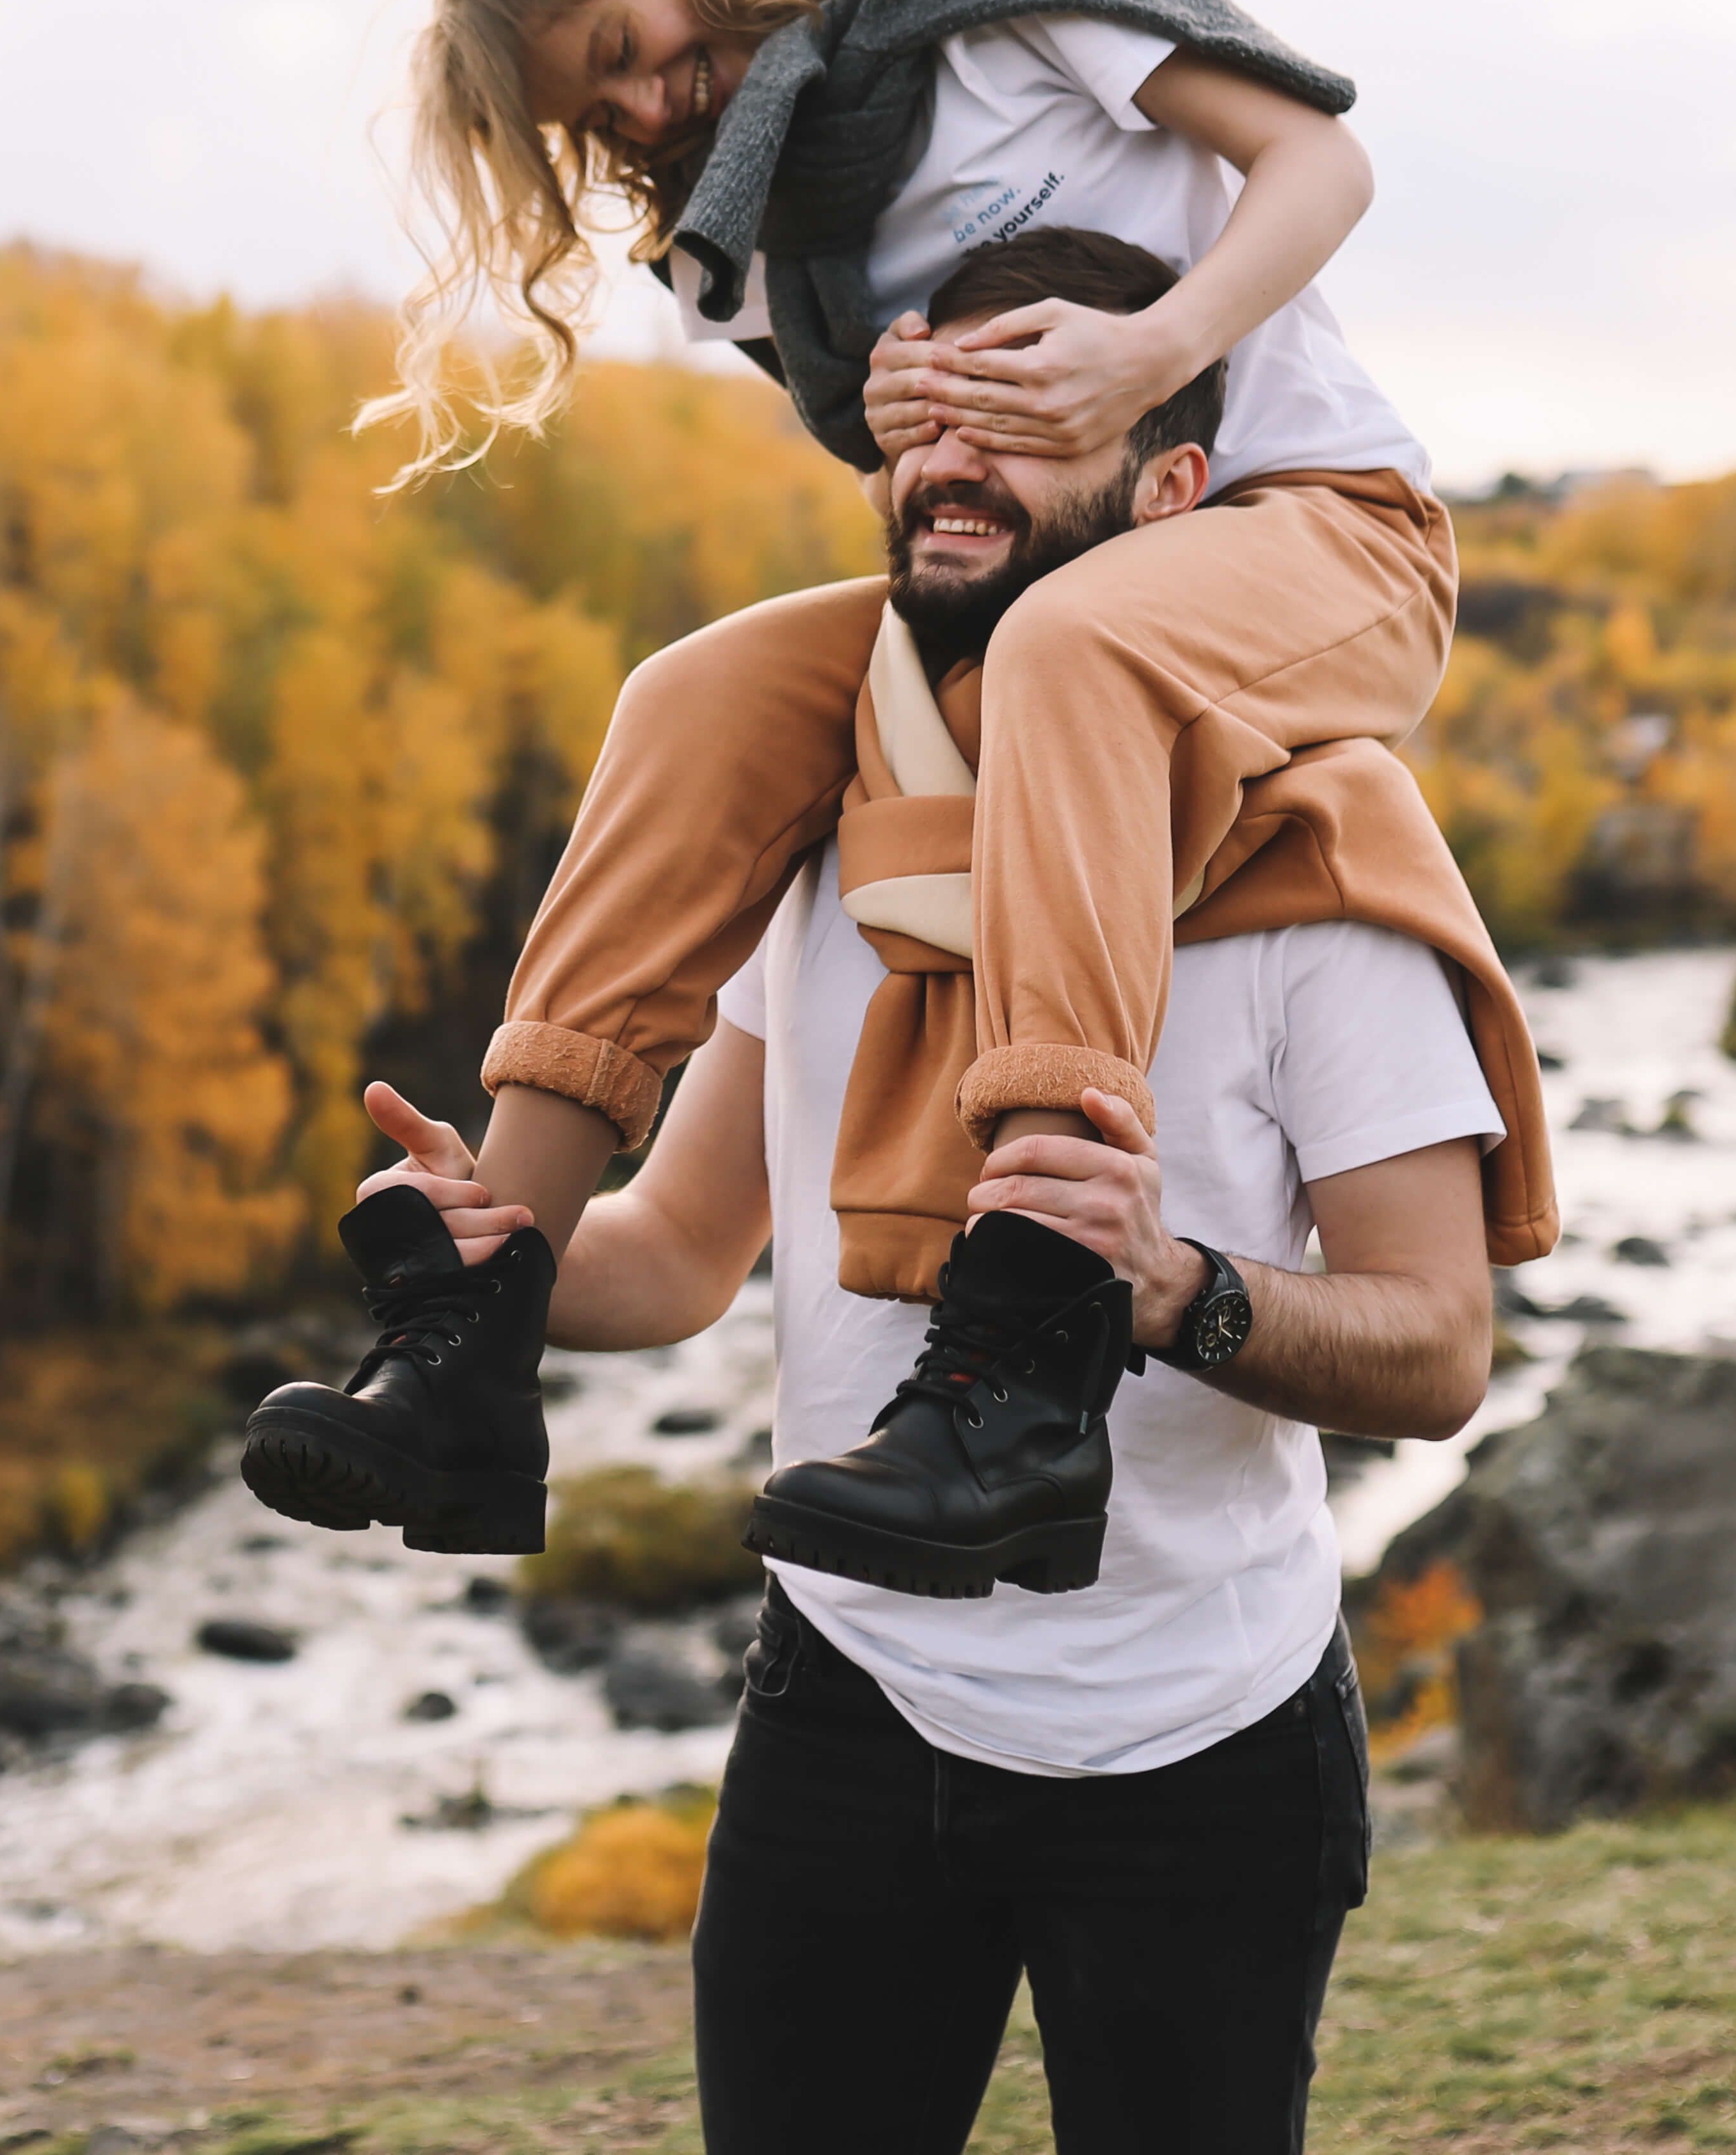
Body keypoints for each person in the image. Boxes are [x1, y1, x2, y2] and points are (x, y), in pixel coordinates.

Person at [243, 0, 1524, 1572]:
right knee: (693, 691)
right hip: (1048, 597)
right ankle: (473, 1319)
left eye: (619, 47)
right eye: (584, 114)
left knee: (1074, 652)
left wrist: (1148, 353)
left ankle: (1022, 1357)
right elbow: (930, 491)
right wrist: (897, 400)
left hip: (1314, 534)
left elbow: (1313, 158)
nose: (631, 109)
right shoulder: (739, 252)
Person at [363, 232, 1514, 2146]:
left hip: (1196, 1739)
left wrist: (1175, 1288)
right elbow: (676, 1254)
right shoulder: (812, 841)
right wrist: (511, 1241)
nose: (944, 463)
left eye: (1014, 415)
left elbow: (1438, 1347)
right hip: (852, 1692)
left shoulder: (1319, 884)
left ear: (1172, 497)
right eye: (915, 417)